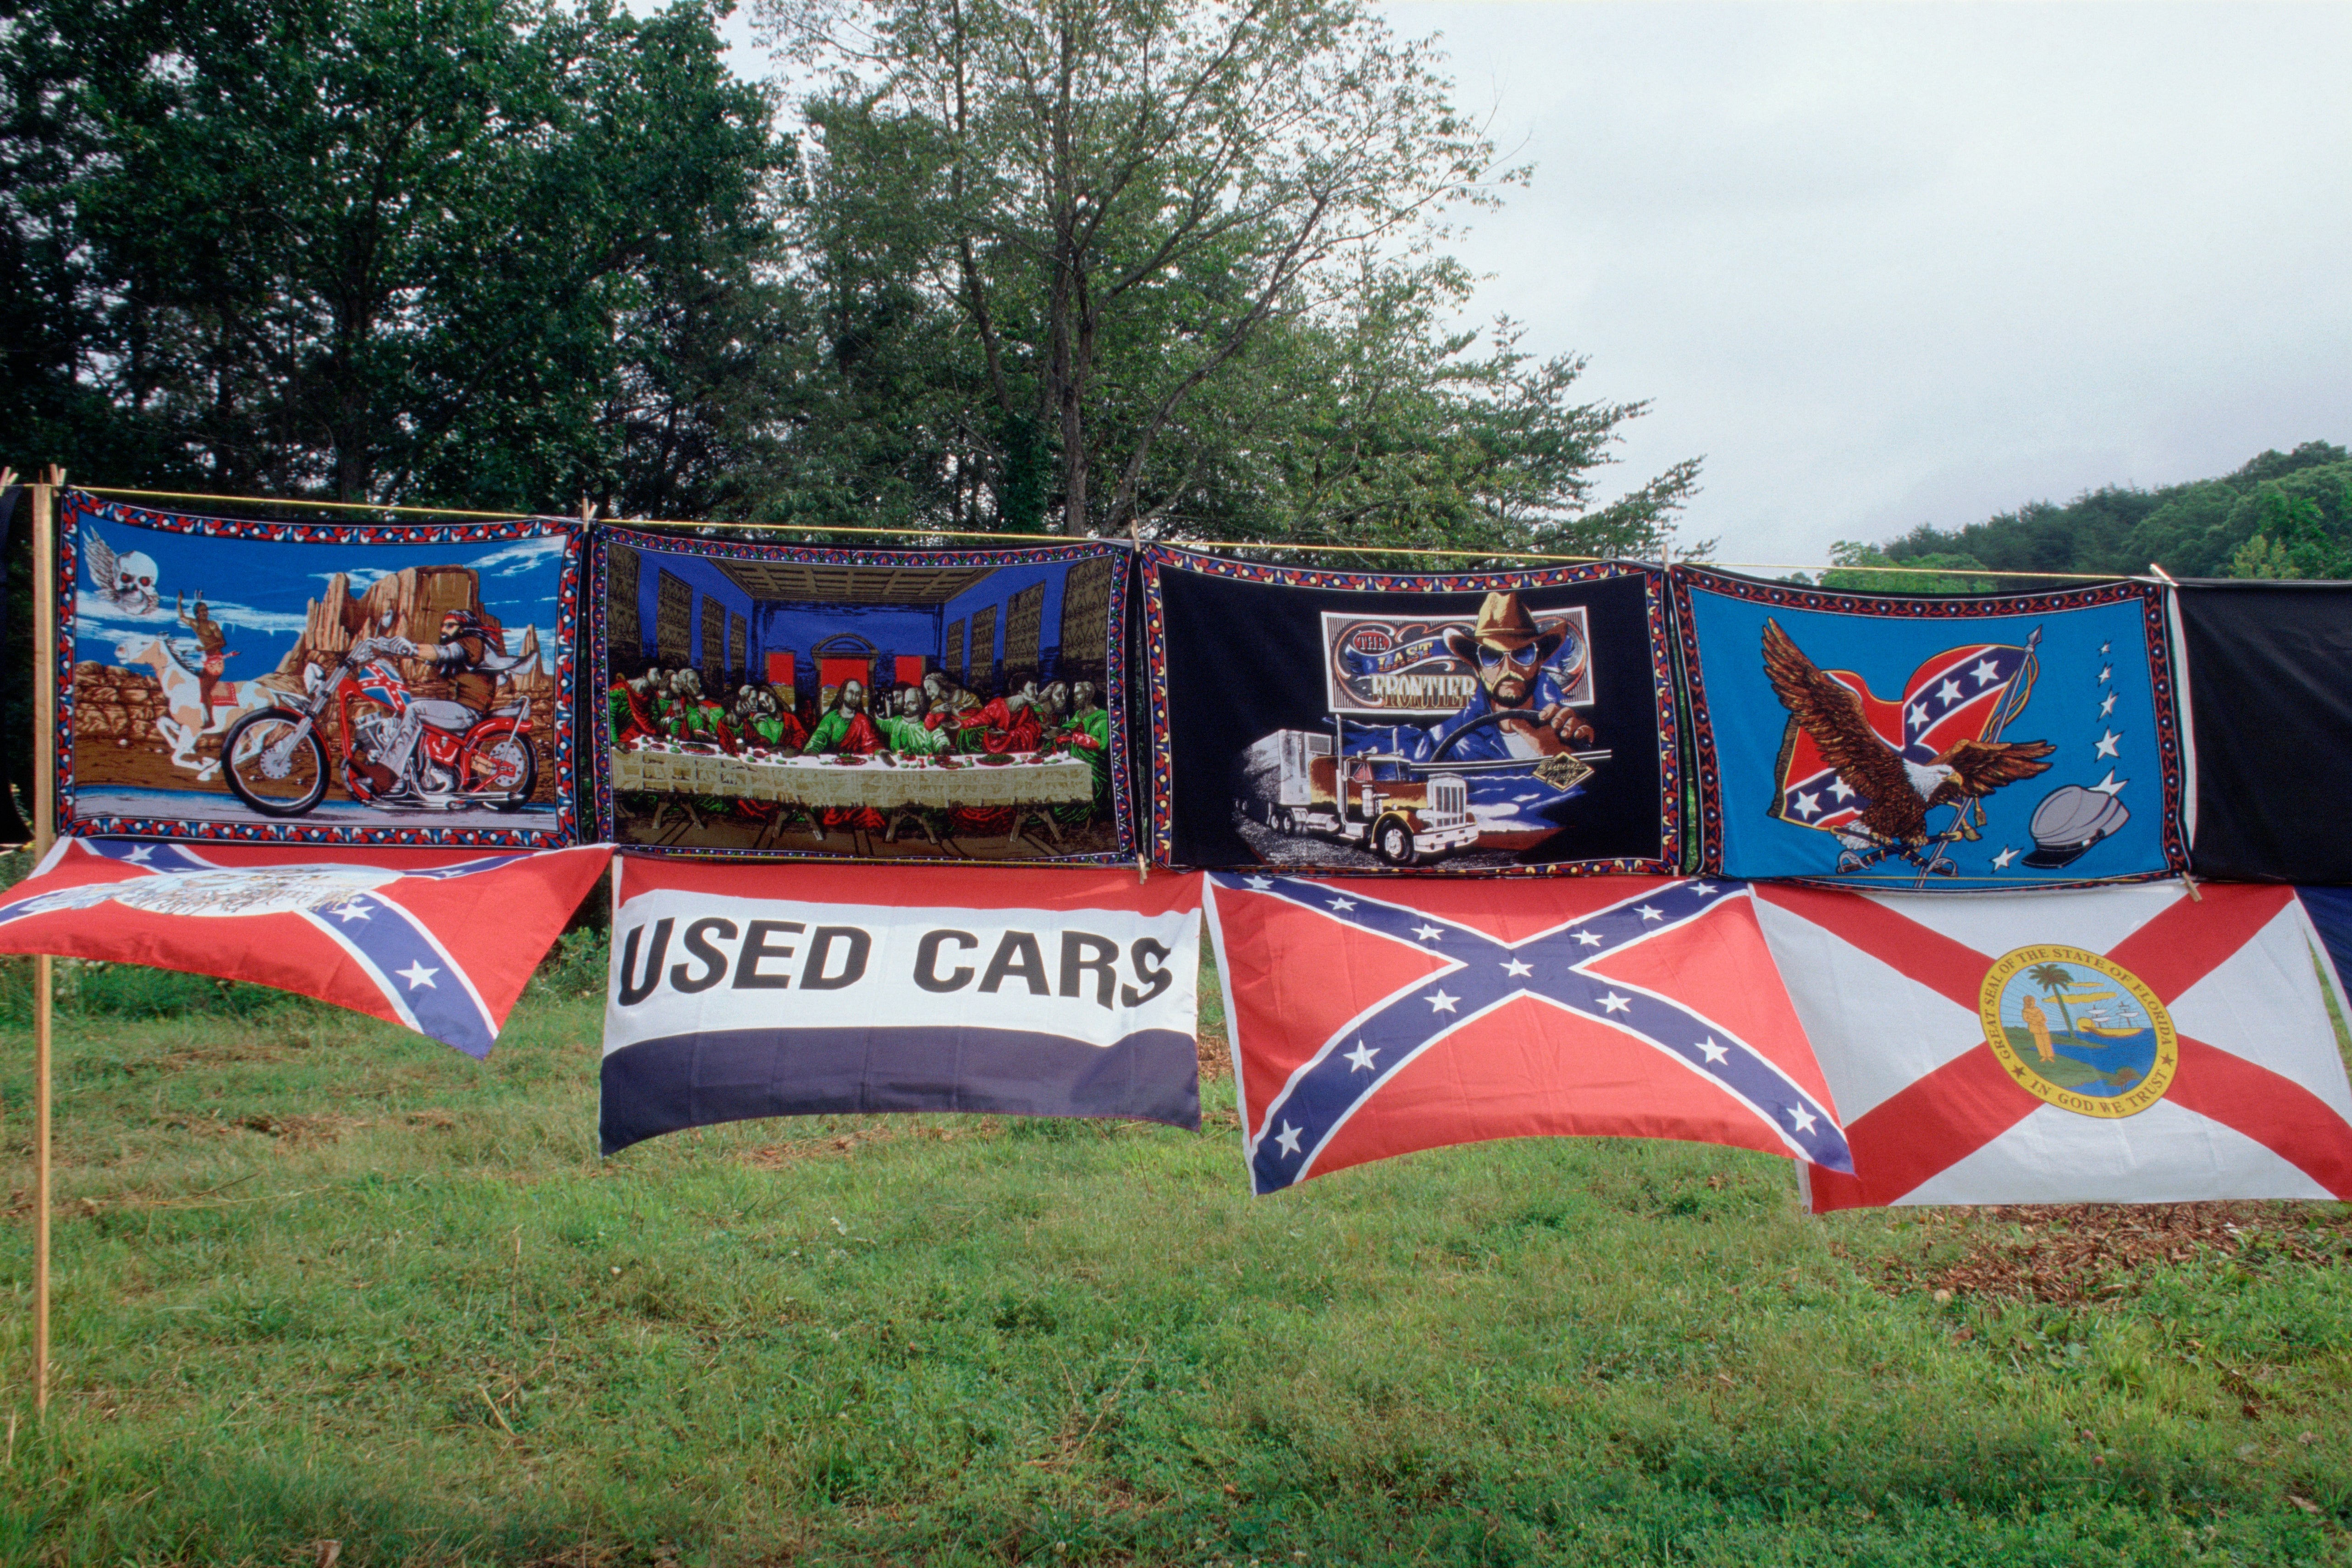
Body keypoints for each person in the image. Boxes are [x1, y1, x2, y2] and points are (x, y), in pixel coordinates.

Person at [1359, 592, 1594, 763]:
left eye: (1523, 654)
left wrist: (1558, 755)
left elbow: (1580, 802)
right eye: (1492, 656)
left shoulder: (1568, 727)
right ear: (1477, 667)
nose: (1508, 667)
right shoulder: (1452, 739)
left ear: (1540, 659)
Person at [176, 591, 232, 711]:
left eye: (206, 610)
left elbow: (223, 643)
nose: (205, 613)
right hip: (207, 659)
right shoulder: (195, 624)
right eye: (202, 611)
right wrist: (179, 601)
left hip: (216, 660)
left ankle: (210, 721)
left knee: (205, 689)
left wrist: (204, 649)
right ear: (197, 614)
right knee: (195, 680)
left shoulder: (212, 625)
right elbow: (182, 617)